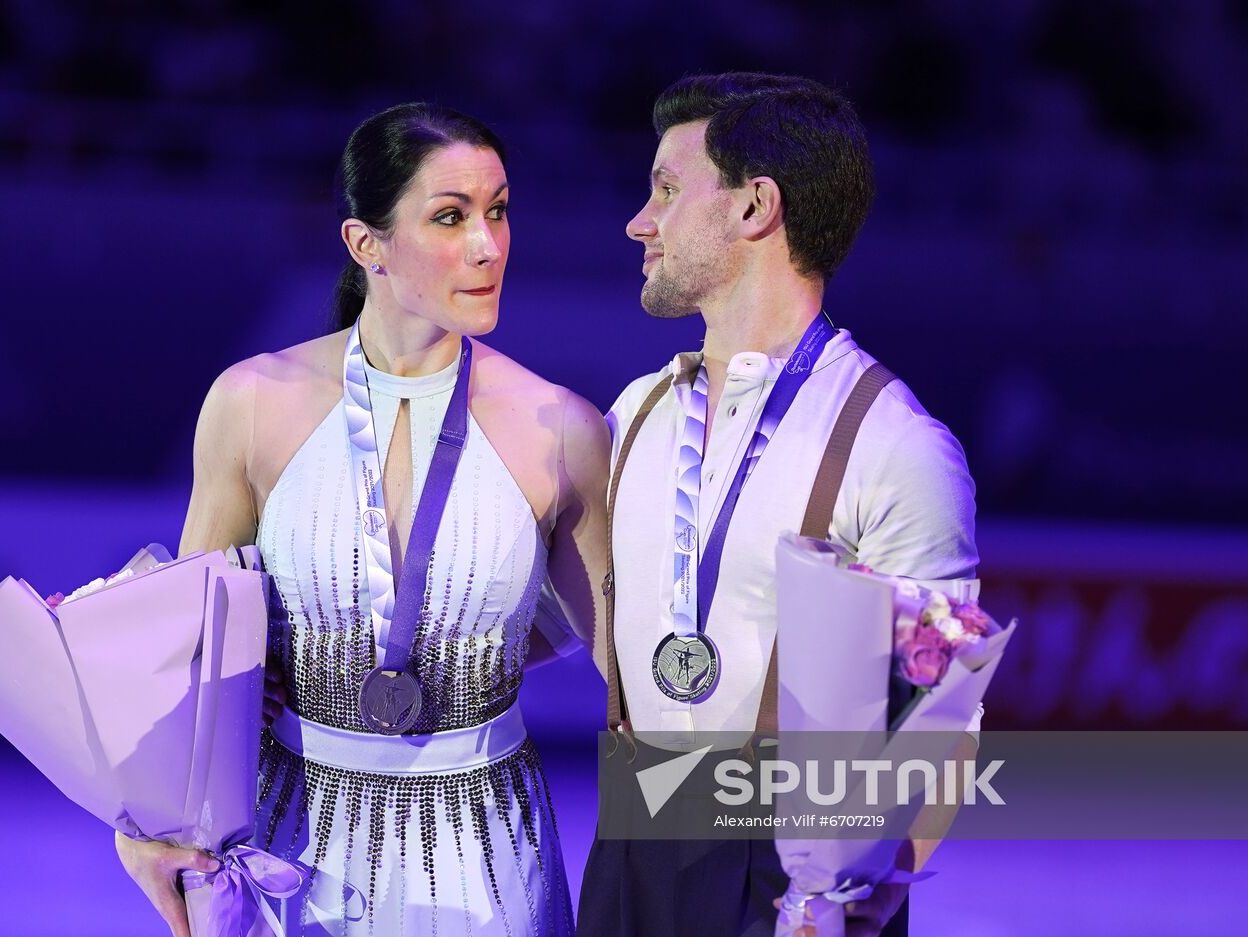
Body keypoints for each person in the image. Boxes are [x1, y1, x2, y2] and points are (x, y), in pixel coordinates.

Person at [116, 102, 611, 936]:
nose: (489, 244)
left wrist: (817, 810)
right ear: (365, 244)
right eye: (451, 217)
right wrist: (140, 827)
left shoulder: (560, 426)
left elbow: (637, 678)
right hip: (285, 849)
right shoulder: (252, 404)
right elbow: (194, 650)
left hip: (489, 860)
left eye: (498, 211)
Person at [575, 73, 981, 937]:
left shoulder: (898, 444)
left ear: (756, 205)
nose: (638, 222)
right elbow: (538, 621)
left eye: (667, 190)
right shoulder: (630, 414)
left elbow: (944, 719)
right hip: (627, 855)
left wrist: (859, 901)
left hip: (796, 880)